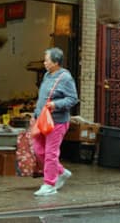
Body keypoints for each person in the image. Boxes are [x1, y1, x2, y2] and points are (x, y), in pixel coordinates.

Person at [32, 47, 78, 197]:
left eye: (47, 60)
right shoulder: (47, 75)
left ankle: (49, 184)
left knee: (51, 153)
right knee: (39, 150)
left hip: (57, 121)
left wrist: (56, 104)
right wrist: (35, 114)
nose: (44, 62)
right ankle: (61, 172)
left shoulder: (65, 77)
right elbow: (42, 98)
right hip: (42, 119)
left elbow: (72, 99)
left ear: (56, 62)